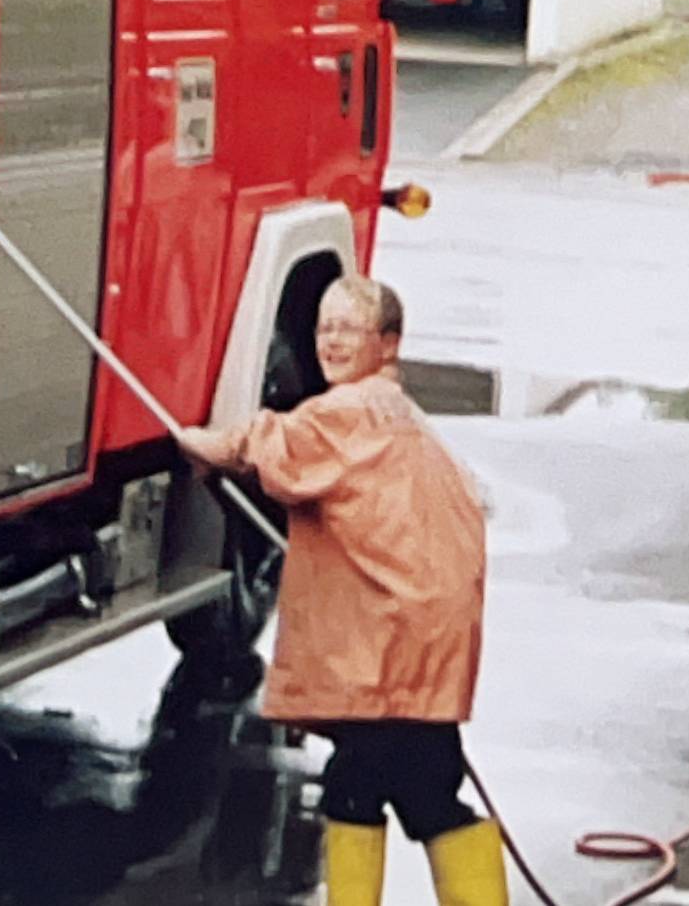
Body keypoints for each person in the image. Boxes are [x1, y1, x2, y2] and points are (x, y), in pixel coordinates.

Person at [173, 276, 508, 906]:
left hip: (391, 646)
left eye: (348, 329)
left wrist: (204, 445)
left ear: (389, 344)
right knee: (416, 787)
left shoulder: (347, 412)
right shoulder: (402, 419)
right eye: (324, 327)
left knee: (375, 790)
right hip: (423, 642)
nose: (330, 341)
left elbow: (269, 442)